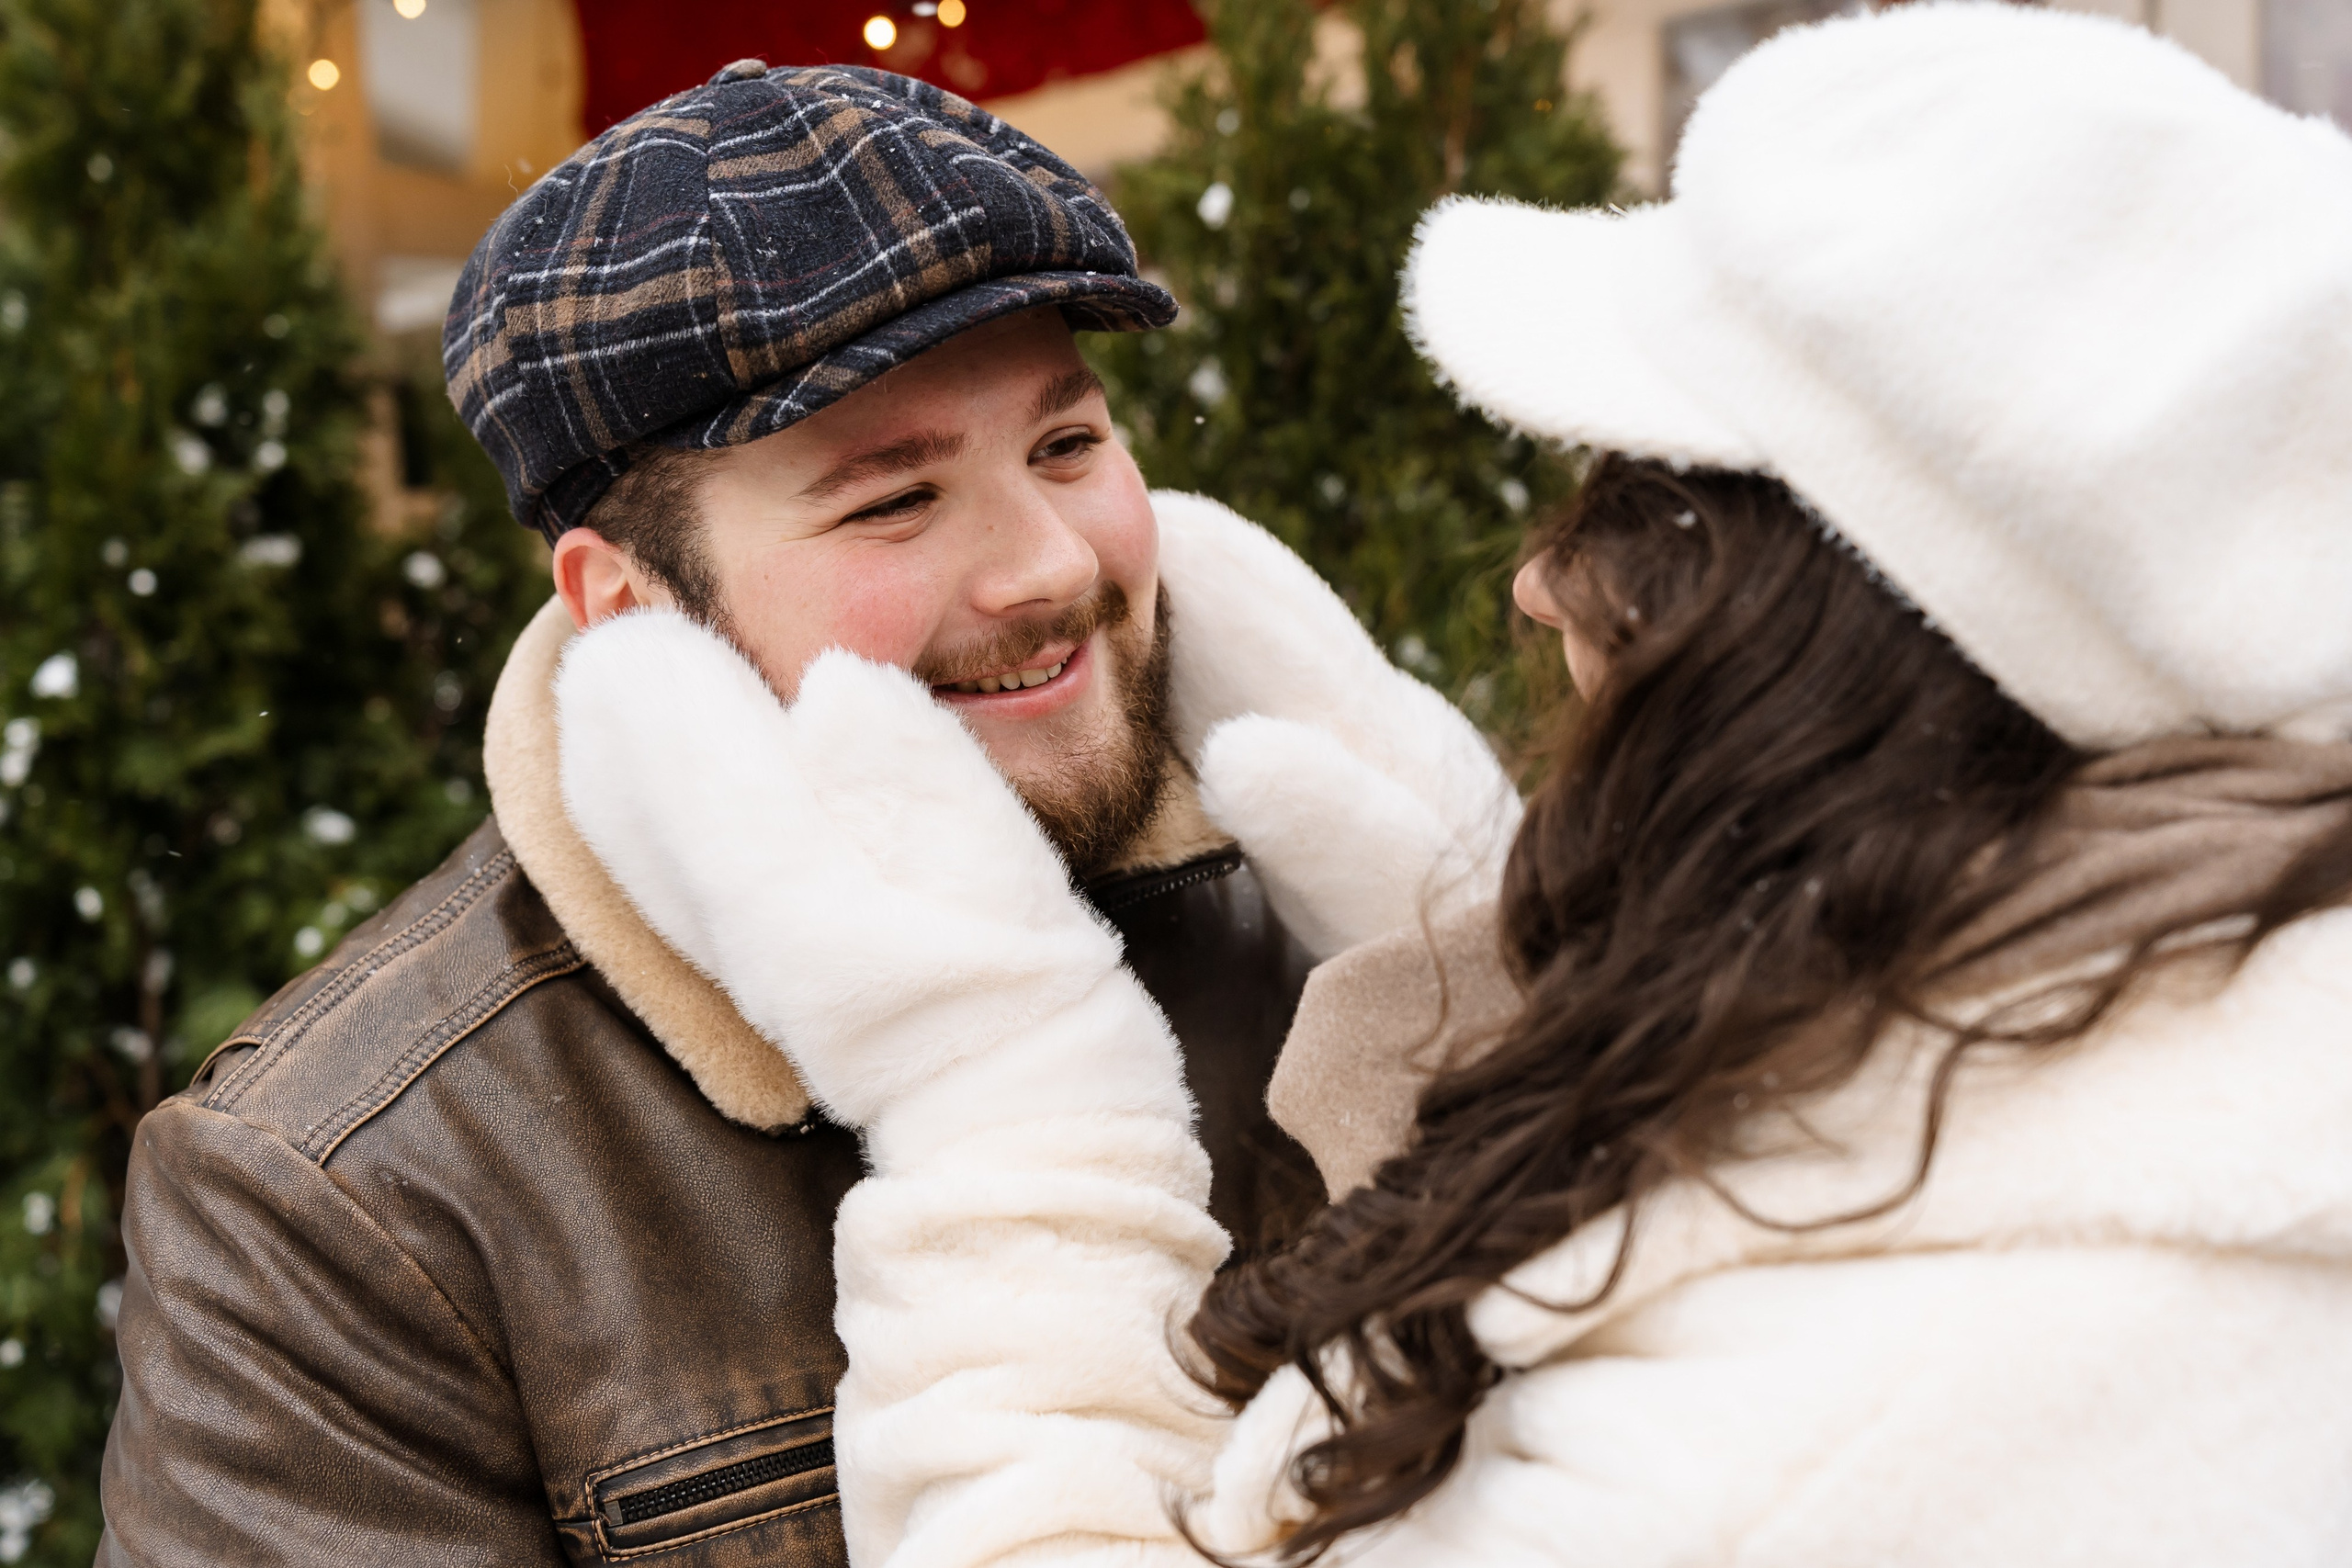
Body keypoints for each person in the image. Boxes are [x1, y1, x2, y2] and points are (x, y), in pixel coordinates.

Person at [556, 7, 2352, 1566]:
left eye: (1642, 518)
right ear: (618, 604)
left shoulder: (1820, 1412)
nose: (1539, 584)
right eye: (888, 493)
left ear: (1890, 649)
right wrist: (1527, 991)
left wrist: (1001, 1102)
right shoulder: (2207, 1021)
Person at [96, 63, 1489, 1562]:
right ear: (630, 607)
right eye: (894, 501)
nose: (1050, 570)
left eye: (1067, 446)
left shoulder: (1340, 906)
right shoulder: (347, 1195)